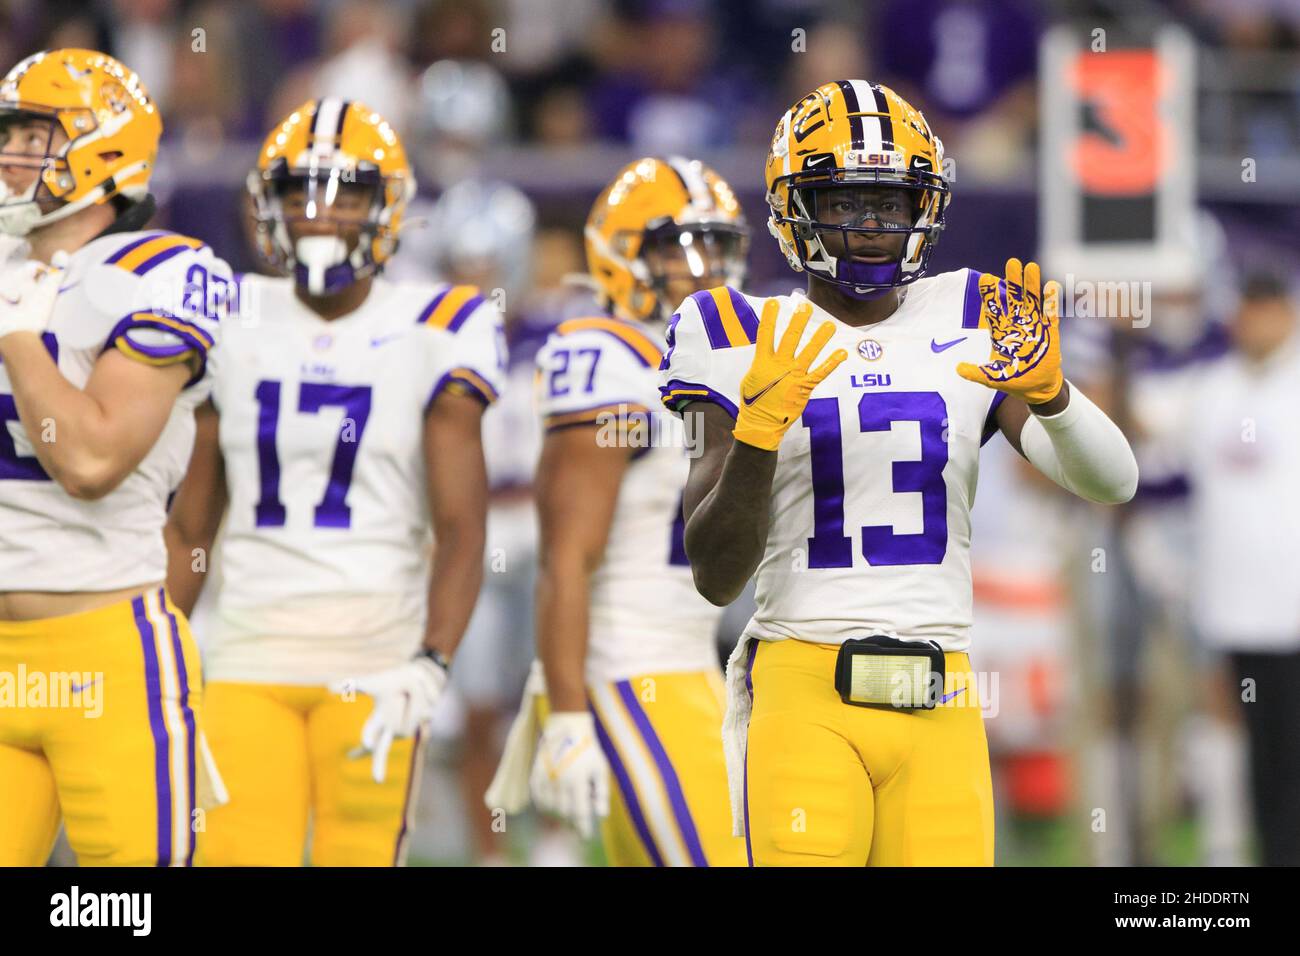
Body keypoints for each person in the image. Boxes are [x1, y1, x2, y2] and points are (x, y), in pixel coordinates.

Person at [661, 81, 1138, 866]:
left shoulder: (970, 313)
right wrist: (754, 437)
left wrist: (1051, 397)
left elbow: (1112, 481)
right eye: (848, 201)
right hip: (803, 683)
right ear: (796, 206)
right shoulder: (737, 330)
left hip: (941, 687)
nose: (876, 224)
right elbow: (714, 574)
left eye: (892, 200)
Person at [165, 98, 503, 866]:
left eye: (344, 193)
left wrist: (431, 661)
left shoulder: (437, 325)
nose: (319, 214)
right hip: (248, 654)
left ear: (385, 207)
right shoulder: (231, 313)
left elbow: (463, 530)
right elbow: (191, 526)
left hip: (376, 659)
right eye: (299, 193)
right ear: (268, 207)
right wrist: (157, 648)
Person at [0, 48, 231, 866]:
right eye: (10, 135)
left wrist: (22, 341)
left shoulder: (162, 272)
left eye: (35, 135)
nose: (12, 155)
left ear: (102, 146)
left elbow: (91, 462)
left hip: (107, 652)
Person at [489, 156, 749, 866]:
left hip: (692, 662)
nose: (703, 270)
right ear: (619, 257)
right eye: (677, 250)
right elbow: (567, 557)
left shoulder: (714, 366)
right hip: (628, 667)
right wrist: (568, 715)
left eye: (716, 247)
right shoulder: (610, 359)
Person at [1184, 271, 1300, 866]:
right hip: (1238, 614)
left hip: (1293, 610)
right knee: (1264, 760)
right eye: (1244, 309)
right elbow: (1149, 447)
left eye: (1263, 308)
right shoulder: (1215, 387)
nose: (1251, 321)